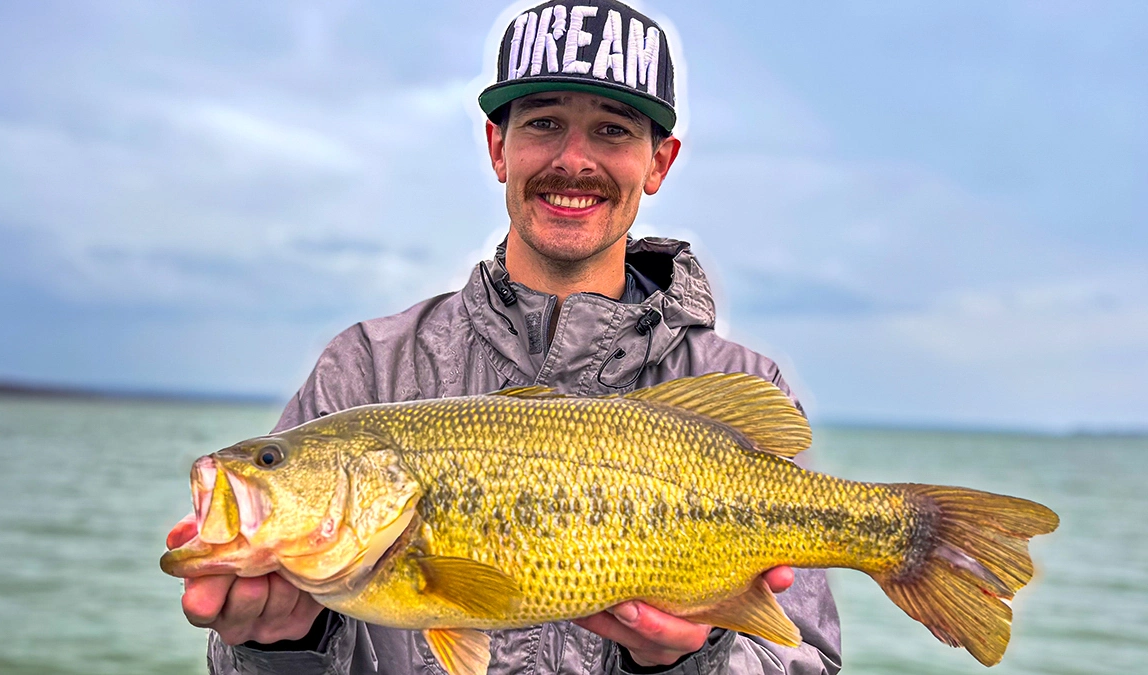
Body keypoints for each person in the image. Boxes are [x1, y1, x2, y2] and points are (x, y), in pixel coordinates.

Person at [167, 1, 842, 672]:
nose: (574, 160)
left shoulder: (744, 384)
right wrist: (274, 642)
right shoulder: (364, 367)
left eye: (611, 131)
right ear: (498, 146)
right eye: (544, 123)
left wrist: (688, 659)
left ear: (659, 163)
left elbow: (802, 662)